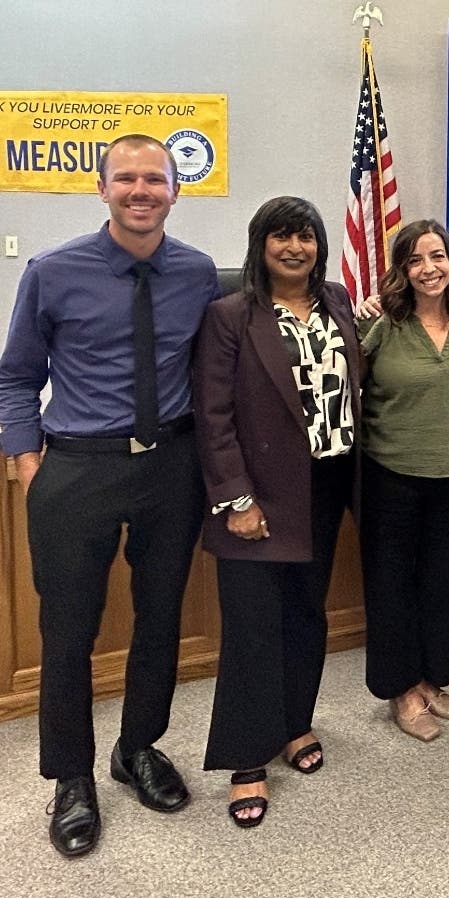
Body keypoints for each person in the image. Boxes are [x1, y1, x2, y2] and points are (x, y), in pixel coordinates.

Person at [0, 134, 218, 857]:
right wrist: (29, 462)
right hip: (77, 469)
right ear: (101, 189)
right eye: (125, 178)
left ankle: (137, 749)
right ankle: (71, 780)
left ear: (174, 191)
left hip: (171, 467)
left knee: (160, 620)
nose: (140, 190)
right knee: (68, 634)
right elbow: (16, 376)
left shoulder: (198, 275)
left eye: (153, 178)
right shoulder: (53, 271)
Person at [193, 196, 361, 827]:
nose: (296, 247)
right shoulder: (230, 315)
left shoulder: (338, 302)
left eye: (307, 236)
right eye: (282, 237)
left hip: (323, 486)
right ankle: (245, 760)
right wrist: (236, 500)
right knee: (253, 629)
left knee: (304, 615)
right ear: (260, 245)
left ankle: (294, 724)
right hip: (257, 497)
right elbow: (212, 417)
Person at [359, 220, 449, 742]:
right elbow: (347, 383)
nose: (429, 269)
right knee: (393, 586)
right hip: (390, 473)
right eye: (415, 260)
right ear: (401, 269)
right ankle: (400, 690)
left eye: (437, 257)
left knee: (444, 583)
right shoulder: (384, 320)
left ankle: (432, 677)